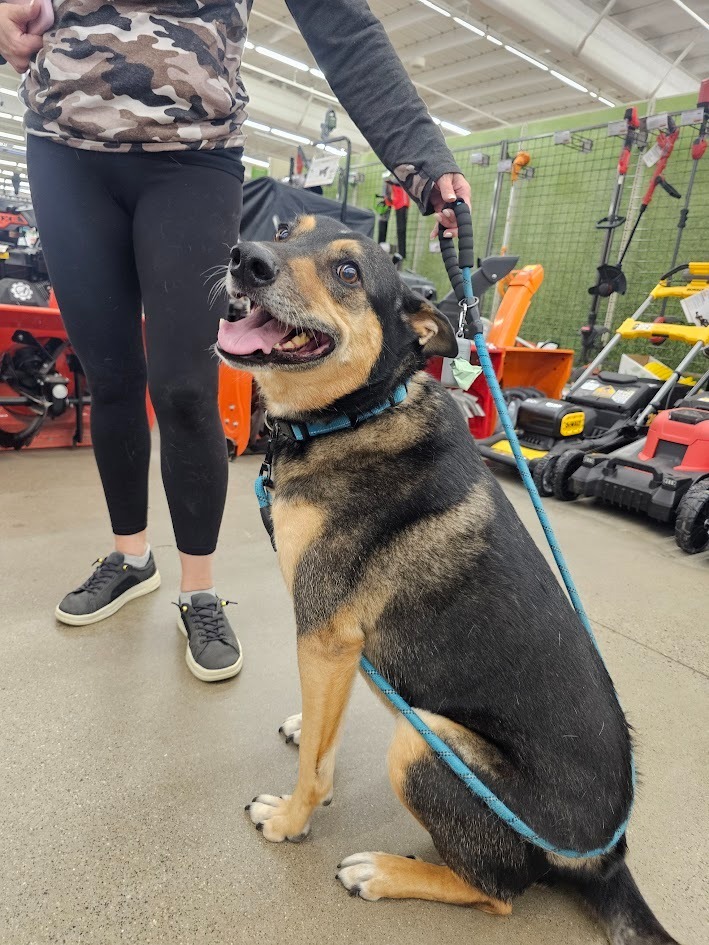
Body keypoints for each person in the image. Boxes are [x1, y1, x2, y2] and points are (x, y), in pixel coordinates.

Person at [0, 0, 470, 683]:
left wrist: (421, 157)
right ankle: (131, 559)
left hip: (191, 160)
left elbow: (340, 23)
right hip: (65, 151)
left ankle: (198, 590)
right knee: (108, 378)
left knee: (186, 387)